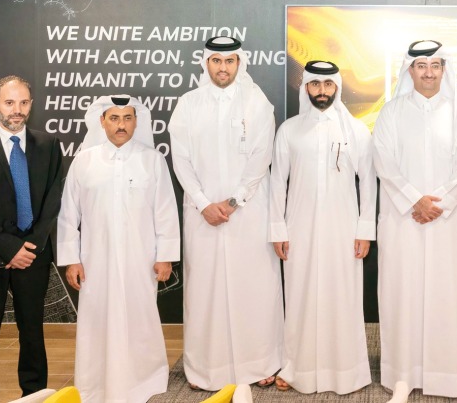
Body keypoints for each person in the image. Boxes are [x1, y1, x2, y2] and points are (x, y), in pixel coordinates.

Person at [168, 36, 283, 390]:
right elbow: (181, 158)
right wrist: (204, 202)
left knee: (255, 288)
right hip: (202, 215)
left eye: (229, 61)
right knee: (206, 290)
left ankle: (261, 364)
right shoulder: (189, 104)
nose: (222, 68)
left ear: (239, 63)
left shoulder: (257, 102)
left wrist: (233, 201)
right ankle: (207, 370)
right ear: (206, 64)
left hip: (246, 214)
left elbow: (260, 157)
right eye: (216, 61)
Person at [57, 95, 181, 403]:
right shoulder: (84, 161)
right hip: (94, 261)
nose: (121, 125)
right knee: (96, 320)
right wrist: (71, 260)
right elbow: (68, 215)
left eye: (127, 118)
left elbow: (165, 210)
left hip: (141, 260)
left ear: (136, 122)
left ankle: (145, 381)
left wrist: (165, 256)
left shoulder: (152, 160)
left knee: (140, 319)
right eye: (114, 118)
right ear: (102, 121)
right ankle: (95, 385)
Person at [373, 40, 457, 398]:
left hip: (446, 222)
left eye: (435, 65)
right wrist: (415, 200)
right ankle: (402, 373)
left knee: (449, 294)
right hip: (404, 221)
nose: (429, 72)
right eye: (421, 66)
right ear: (410, 71)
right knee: (402, 293)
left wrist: (440, 203)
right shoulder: (391, 112)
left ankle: (446, 374)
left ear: (444, 70)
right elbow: (383, 162)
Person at [269, 60, 376, 395]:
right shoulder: (289, 130)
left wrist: (364, 230)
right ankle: (297, 367)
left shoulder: (356, 130)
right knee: (300, 296)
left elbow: (369, 182)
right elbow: (276, 183)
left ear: (337, 88)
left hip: (344, 229)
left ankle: (346, 370)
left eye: (328, 85)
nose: (321, 92)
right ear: (306, 88)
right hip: (298, 227)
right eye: (315, 85)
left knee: (342, 296)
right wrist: (278, 230)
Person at [0, 75, 65, 403]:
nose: (16, 110)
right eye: (9, 102)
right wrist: (9, 247)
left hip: (33, 258)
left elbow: (53, 200)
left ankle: (35, 396)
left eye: (23, 103)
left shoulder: (48, 146)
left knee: (32, 333)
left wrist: (28, 248)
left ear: (31, 105)